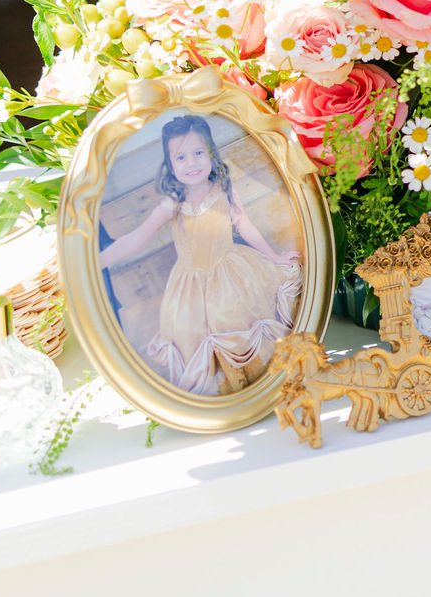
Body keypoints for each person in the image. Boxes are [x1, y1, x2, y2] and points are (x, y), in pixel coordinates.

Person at [99, 114, 300, 395]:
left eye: (198, 153)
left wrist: (274, 256)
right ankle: (226, 387)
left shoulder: (224, 189)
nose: (191, 163)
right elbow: (137, 237)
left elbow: (244, 224)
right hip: (190, 287)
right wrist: (97, 262)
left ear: (211, 154)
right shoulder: (174, 202)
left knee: (237, 319)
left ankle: (259, 380)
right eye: (181, 158)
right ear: (170, 164)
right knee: (197, 334)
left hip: (232, 273)